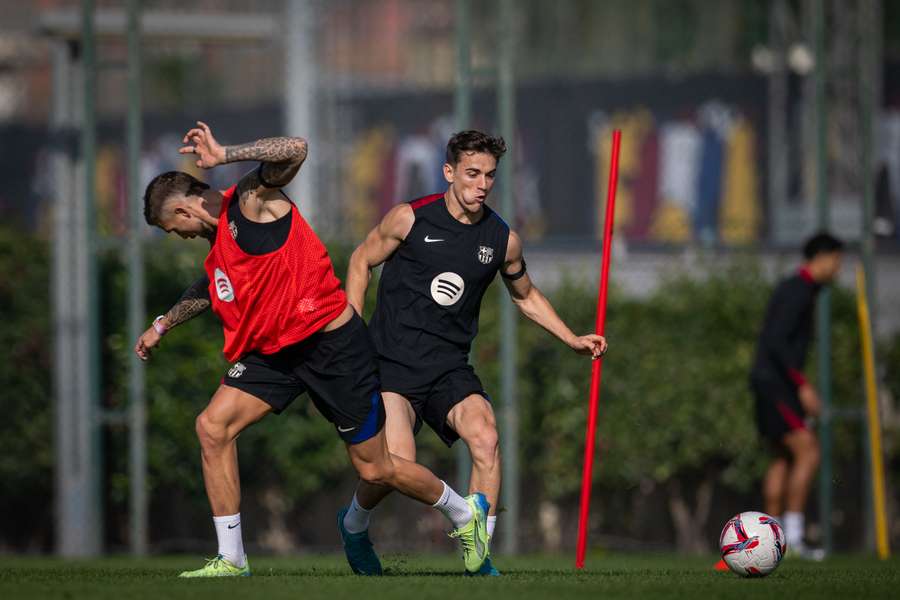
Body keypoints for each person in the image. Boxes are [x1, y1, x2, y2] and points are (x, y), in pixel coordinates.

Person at [134, 122, 490, 577]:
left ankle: (464, 513)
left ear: (184, 209)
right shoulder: (218, 240)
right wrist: (163, 324)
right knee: (212, 427)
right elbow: (213, 285)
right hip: (277, 353)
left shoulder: (250, 200)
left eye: (171, 227)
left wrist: (225, 154)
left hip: (332, 347)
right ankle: (232, 558)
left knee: (377, 469)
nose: (177, 236)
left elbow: (295, 148)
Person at [338, 130, 608, 576]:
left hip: (448, 369)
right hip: (390, 366)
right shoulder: (409, 219)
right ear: (449, 172)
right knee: (390, 470)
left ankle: (478, 556)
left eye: (490, 176)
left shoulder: (502, 240)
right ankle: (354, 524)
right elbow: (359, 261)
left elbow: (526, 296)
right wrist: (350, 327)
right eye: (472, 173)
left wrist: (571, 337)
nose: (482, 184)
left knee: (486, 437)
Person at [749, 232, 843, 560]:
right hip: (777, 384)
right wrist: (801, 385)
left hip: (765, 380)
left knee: (782, 457)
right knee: (809, 451)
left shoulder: (798, 289)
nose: (838, 268)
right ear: (823, 257)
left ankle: (769, 542)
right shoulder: (799, 292)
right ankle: (794, 540)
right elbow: (775, 341)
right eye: (837, 260)